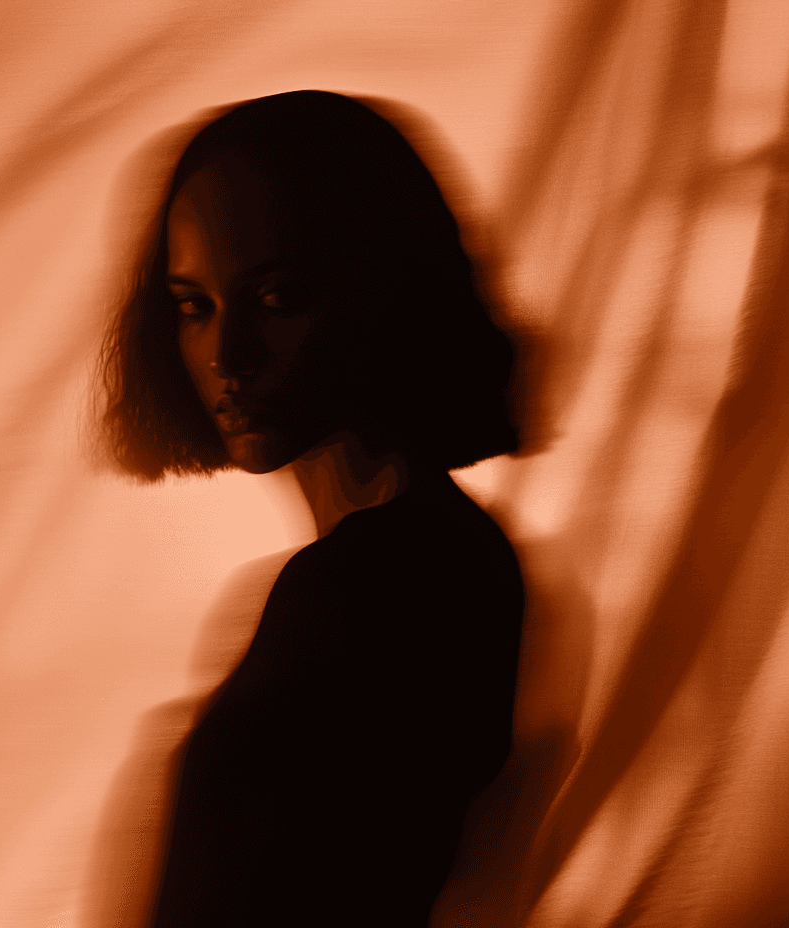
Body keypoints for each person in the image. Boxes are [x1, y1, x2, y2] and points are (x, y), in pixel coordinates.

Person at [96, 89, 526, 927]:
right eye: (194, 307)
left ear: (383, 286)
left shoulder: (372, 587)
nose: (226, 357)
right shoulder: (439, 558)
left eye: (277, 298)